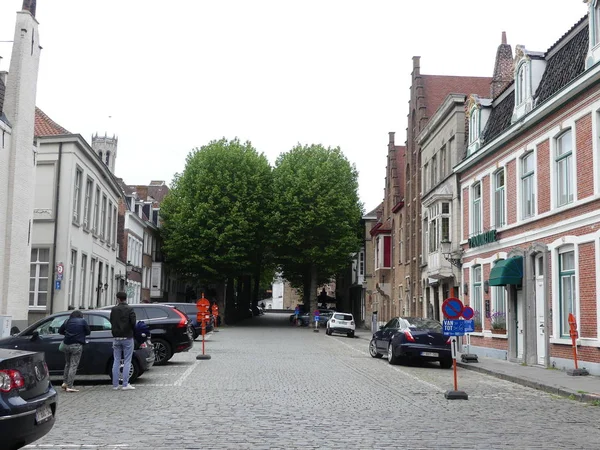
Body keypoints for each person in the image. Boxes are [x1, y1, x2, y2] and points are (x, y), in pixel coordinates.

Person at [110, 291, 137, 390]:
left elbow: (111, 321)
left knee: (116, 360)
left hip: (116, 337)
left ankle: (115, 385)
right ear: (126, 298)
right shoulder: (130, 309)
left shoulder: (114, 309)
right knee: (127, 361)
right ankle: (125, 384)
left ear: (118, 299)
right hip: (127, 337)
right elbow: (133, 323)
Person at [58, 310, 90, 393]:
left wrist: (68, 334)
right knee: (73, 365)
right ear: (80, 316)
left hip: (66, 344)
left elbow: (60, 331)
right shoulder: (83, 321)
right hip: (76, 346)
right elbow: (88, 332)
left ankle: (64, 383)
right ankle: (69, 385)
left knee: (67, 364)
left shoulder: (67, 321)